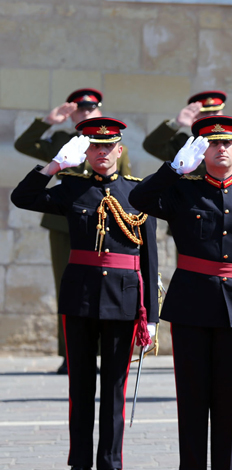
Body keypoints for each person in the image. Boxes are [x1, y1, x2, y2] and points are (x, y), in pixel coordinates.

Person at [129, 116, 232, 469]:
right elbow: (138, 198)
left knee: (229, 403)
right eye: (213, 143)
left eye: (227, 143)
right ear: (201, 150)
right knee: (193, 401)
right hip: (191, 307)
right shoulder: (183, 190)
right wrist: (174, 170)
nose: (221, 148)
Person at [11, 118, 158, 470]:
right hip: (80, 298)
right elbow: (22, 197)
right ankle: (79, 462)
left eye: (109, 147)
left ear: (119, 151)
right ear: (86, 152)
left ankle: (110, 462)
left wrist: (150, 317)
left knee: (113, 390)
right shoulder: (71, 188)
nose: (102, 153)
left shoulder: (137, 194)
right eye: (95, 146)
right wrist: (55, 166)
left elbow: (149, 260)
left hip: (123, 300)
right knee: (80, 388)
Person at [13, 88, 133, 374]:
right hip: (64, 224)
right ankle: (70, 352)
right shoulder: (59, 141)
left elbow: (122, 184)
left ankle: (106, 351)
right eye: (79, 108)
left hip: (102, 223)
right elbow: (23, 143)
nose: (85, 111)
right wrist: (48, 121)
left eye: (90, 108)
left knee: (106, 283)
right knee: (67, 286)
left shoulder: (119, 149)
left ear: (99, 111)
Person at [142, 90, 226, 172]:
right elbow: (151, 146)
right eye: (205, 113)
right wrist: (176, 123)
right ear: (195, 117)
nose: (211, 116)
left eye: (215, 111)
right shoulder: (185, 145)